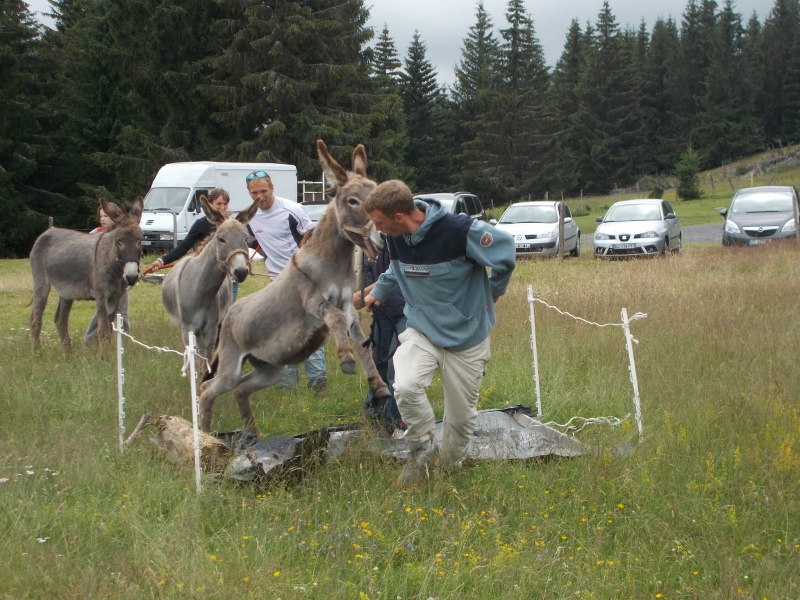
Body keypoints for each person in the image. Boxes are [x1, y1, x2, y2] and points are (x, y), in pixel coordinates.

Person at [362, 180, 515, 486]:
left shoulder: (459, 231)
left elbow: (505, 253)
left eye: (379, 222)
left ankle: (449, 470)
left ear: (399, 217)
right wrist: (378, 291)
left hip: (467, 338)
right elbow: (397, 268)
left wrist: (493, 293)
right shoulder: (396, 236)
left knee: (460, 419)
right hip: (422, 330)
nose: (375, 229)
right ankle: (421, 449)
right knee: (404, 385)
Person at [245, 170, 327, 393]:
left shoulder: (292, 210)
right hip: (276, 283)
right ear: (249, 193)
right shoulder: (249, 217)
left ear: (272, 189)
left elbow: (314, 240)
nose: (260, 196)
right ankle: (287, 387)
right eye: (255, 193)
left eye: (264, 191)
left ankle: (318, 382)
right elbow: (248, 241)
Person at [149, 188, 239, 301]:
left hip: (229, 279)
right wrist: (162, 261)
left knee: (226, 315)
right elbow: (184, 247)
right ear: (210, 205)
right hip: (206, 279)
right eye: (219, 203)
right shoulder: (201, 224)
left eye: (225, 204)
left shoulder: (232, 225)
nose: (222, 207)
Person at [352, 248, 406, 431]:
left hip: (404, 311)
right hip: (381, 312)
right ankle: (376, 409)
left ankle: (395, 420)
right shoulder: (362, 243)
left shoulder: (393, 237)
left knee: (396, 368)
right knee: (378, 363)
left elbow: (397, 273)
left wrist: (361, 296)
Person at [84, 205, 130, 343]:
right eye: (101, 216)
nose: (103, 219)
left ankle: (124, 341)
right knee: (102, 310)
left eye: (106, 216)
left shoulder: (122, 235)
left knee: (122, 312)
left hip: (120, 280)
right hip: (103, 280)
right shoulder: (96, 234)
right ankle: (89, 340)